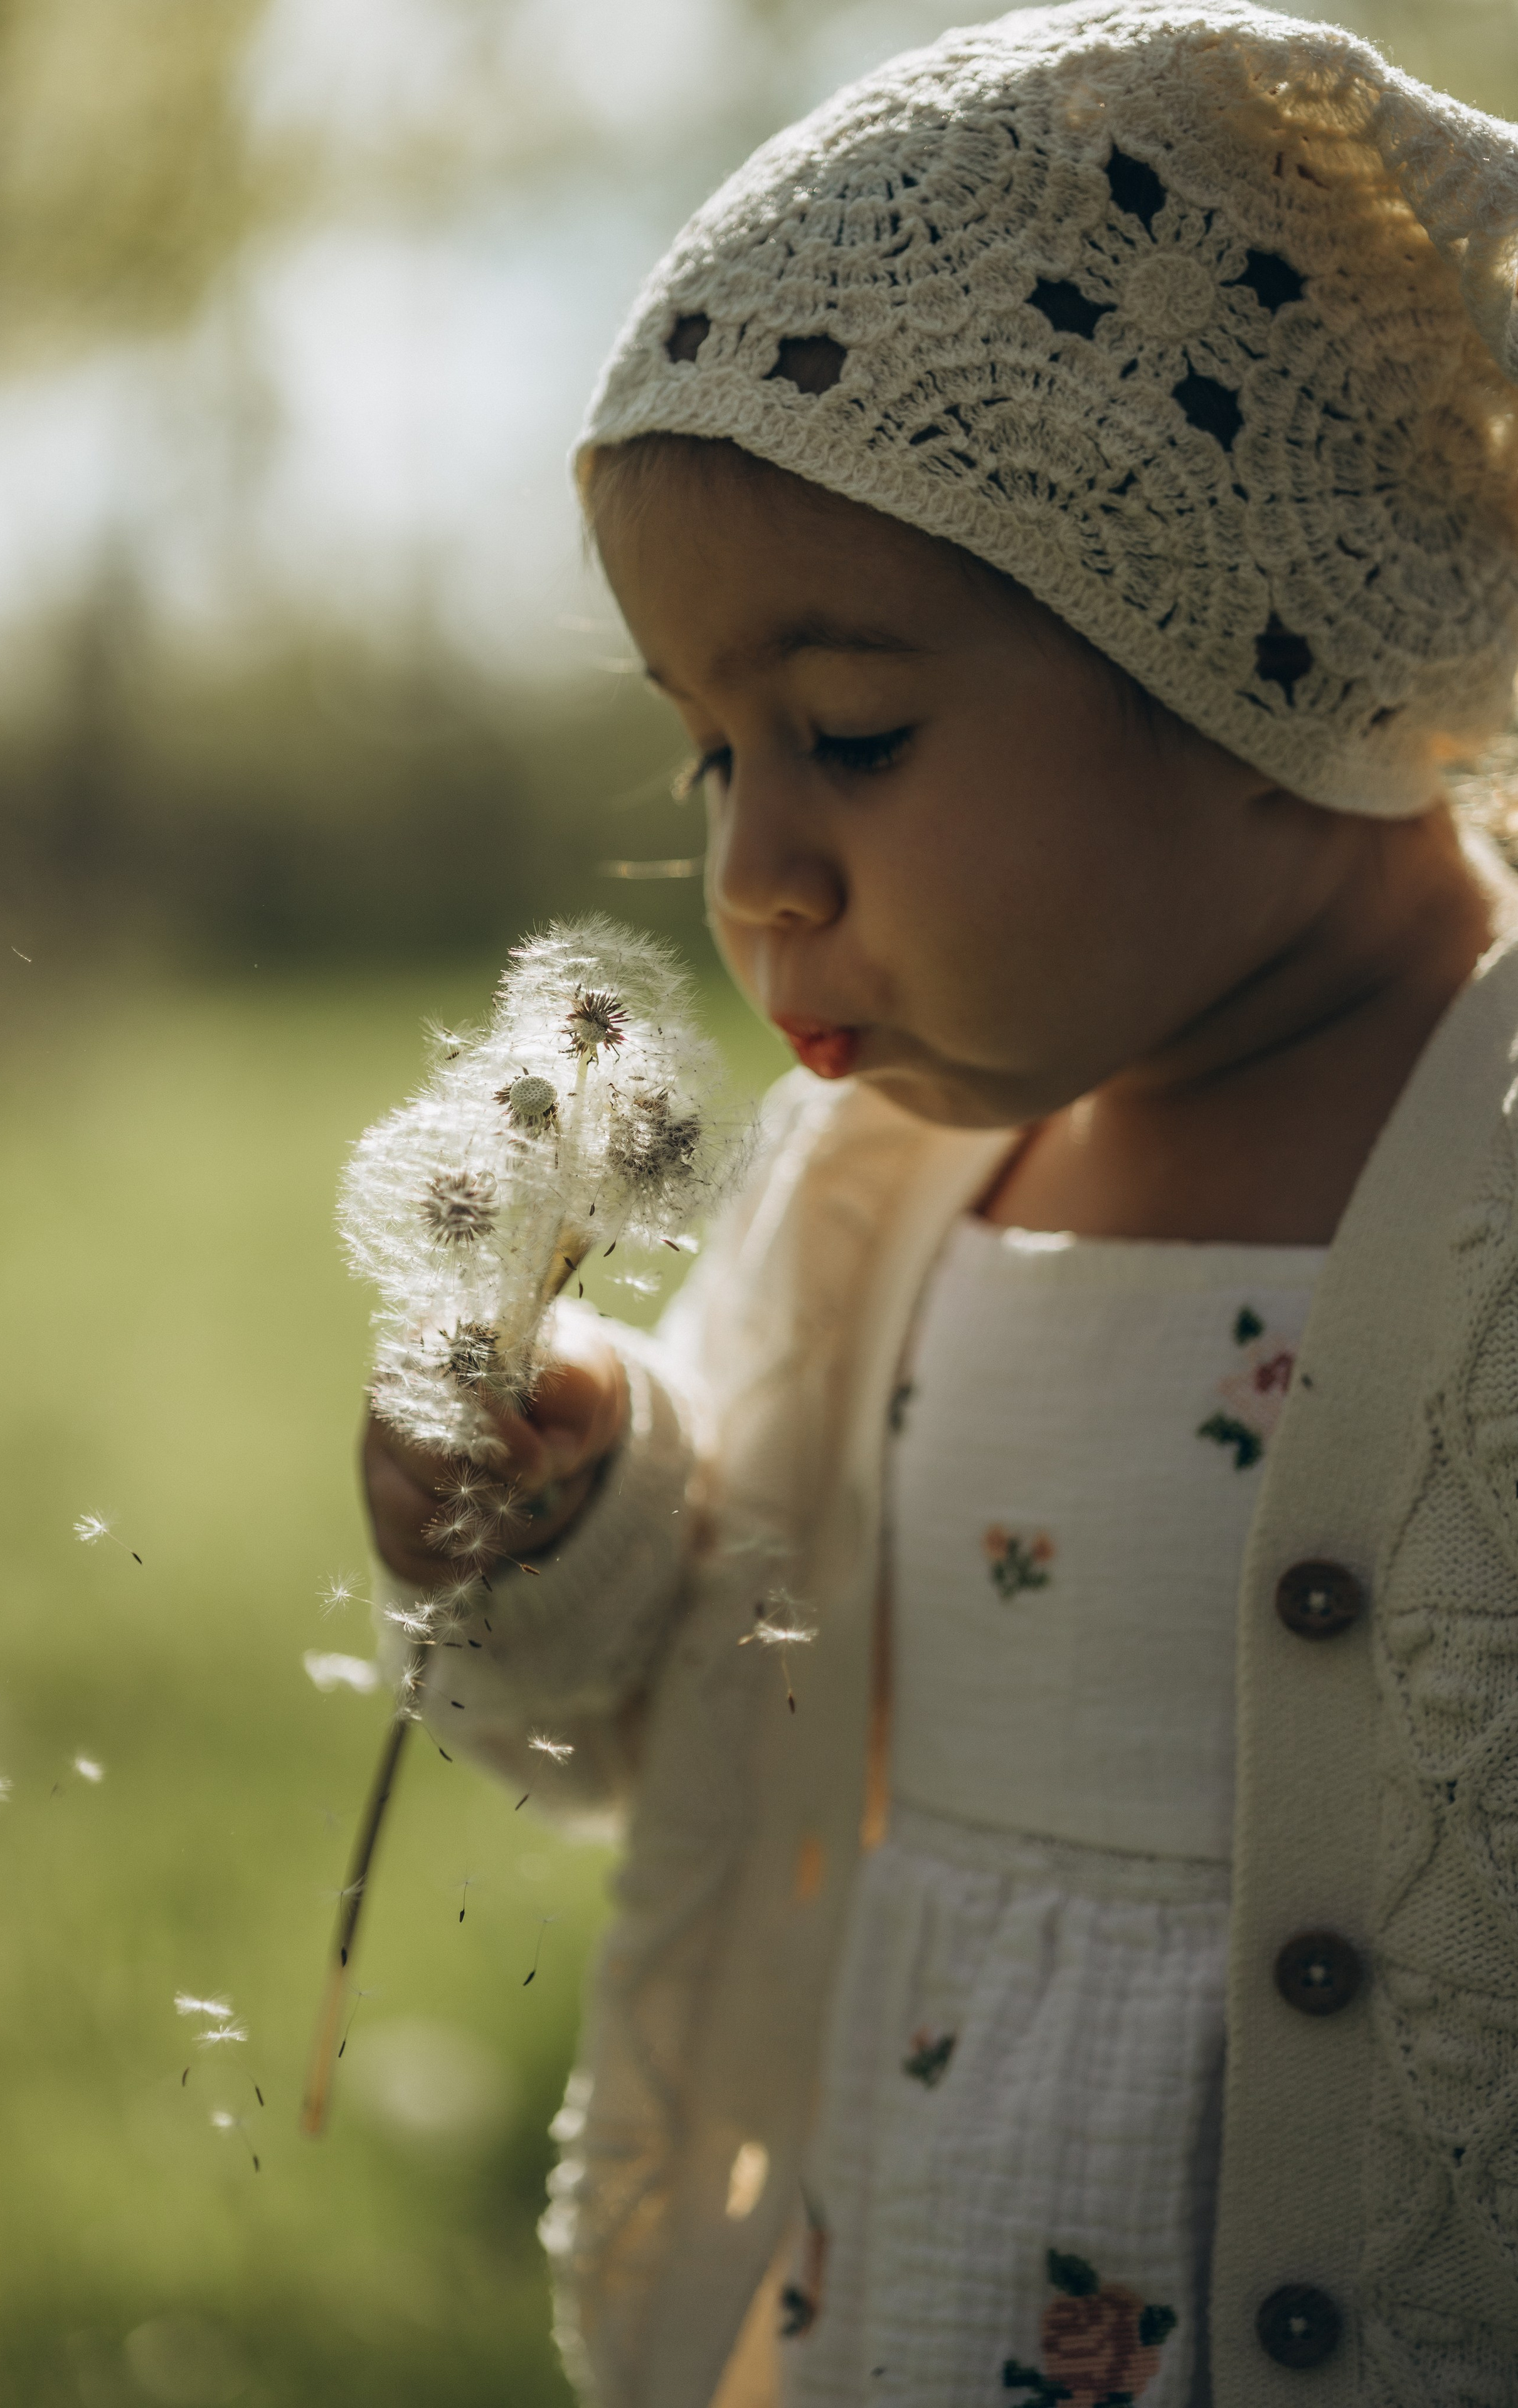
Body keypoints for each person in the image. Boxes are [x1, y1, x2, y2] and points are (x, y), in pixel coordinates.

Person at [363, 6, 1518, 2400]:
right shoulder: (896, 1180)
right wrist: (571, 1511)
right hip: (928, 2287)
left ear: (1244, 648)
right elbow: (705, 1689)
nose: (754, 867)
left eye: (851, 733)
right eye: (707, 751)